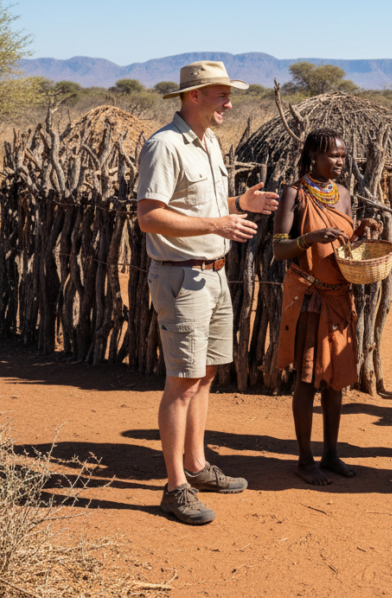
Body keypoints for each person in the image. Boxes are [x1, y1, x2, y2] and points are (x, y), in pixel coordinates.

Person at [137, 60, 280, 526]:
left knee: (205, 373)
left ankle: (197, 467)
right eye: (221, 94)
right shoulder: (164, 145)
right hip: (181, 277)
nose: (229, 103)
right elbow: (150, 216)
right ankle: (175, 487)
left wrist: (240, 205)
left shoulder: (209, 142)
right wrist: (219, 223)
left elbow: (204, 205)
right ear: (193, 96)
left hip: (214, 274)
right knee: (181, 381)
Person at [272, 129, 380, 486]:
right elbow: (278, 249)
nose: (339, 162)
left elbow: (344, 246)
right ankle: (305, 459)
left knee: (335, 380)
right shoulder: (294, 194)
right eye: (333, 155)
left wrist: (362, 232)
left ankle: (331, 453)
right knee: (307, 379)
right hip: (310, 298)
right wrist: (308, 239)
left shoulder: (344, 195)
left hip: (338, 294)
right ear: (313, 156)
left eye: (343, 156)